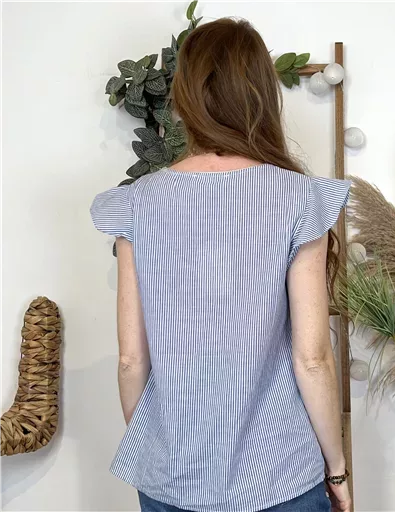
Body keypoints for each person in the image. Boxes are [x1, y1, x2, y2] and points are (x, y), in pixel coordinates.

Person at [90, 17, 351, 512]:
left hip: (171, 478)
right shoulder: (300, 199)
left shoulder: (139, 203)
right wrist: (336, 469)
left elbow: (130, 360)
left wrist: (160, 453)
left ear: (185, 96)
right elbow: (313, 359)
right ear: (262, 95)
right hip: (279, 473)